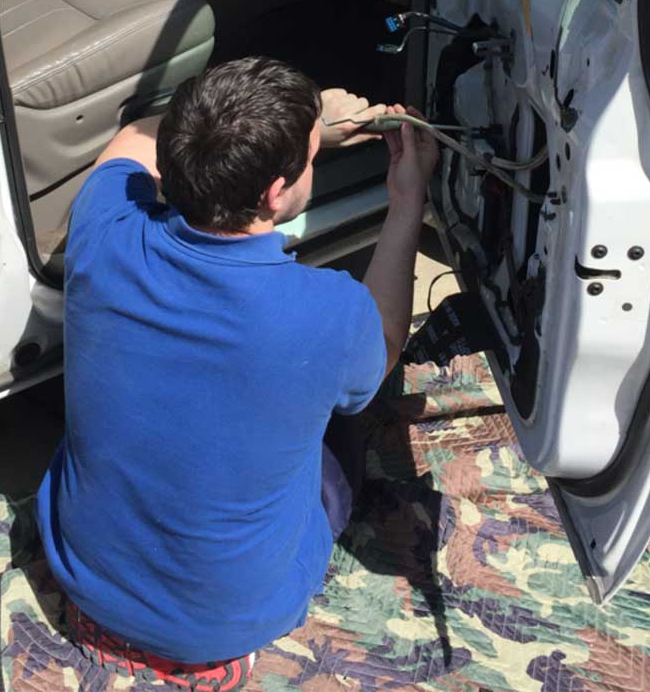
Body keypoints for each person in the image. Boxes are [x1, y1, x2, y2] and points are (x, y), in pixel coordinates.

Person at [36, 56, 438, 686]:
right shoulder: (327, 313)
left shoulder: (103, 226)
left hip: (85, 578)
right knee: (346, 416)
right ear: (276, 194)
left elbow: (132, 139)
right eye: (309, 160)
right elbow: (386, 343)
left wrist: (296, 130)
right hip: (229, 621)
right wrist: (407, 201)